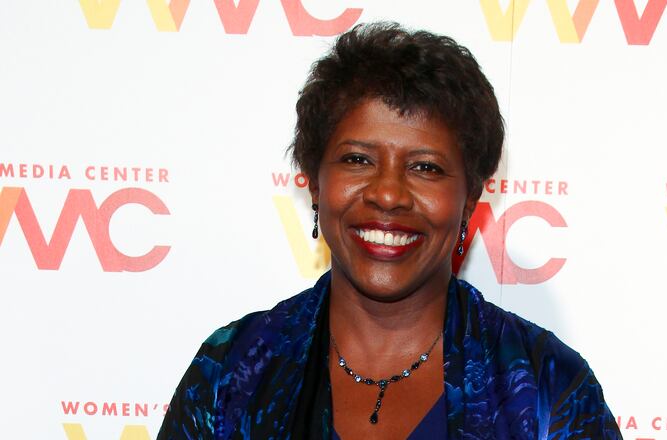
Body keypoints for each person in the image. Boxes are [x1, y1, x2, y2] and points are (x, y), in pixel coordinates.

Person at [158, 22, 622, 440]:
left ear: (471, 201)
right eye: (358, 159)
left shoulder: (546, 388)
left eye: (426, 167)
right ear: (314, 182)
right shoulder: (232, 374)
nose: (388, 194)